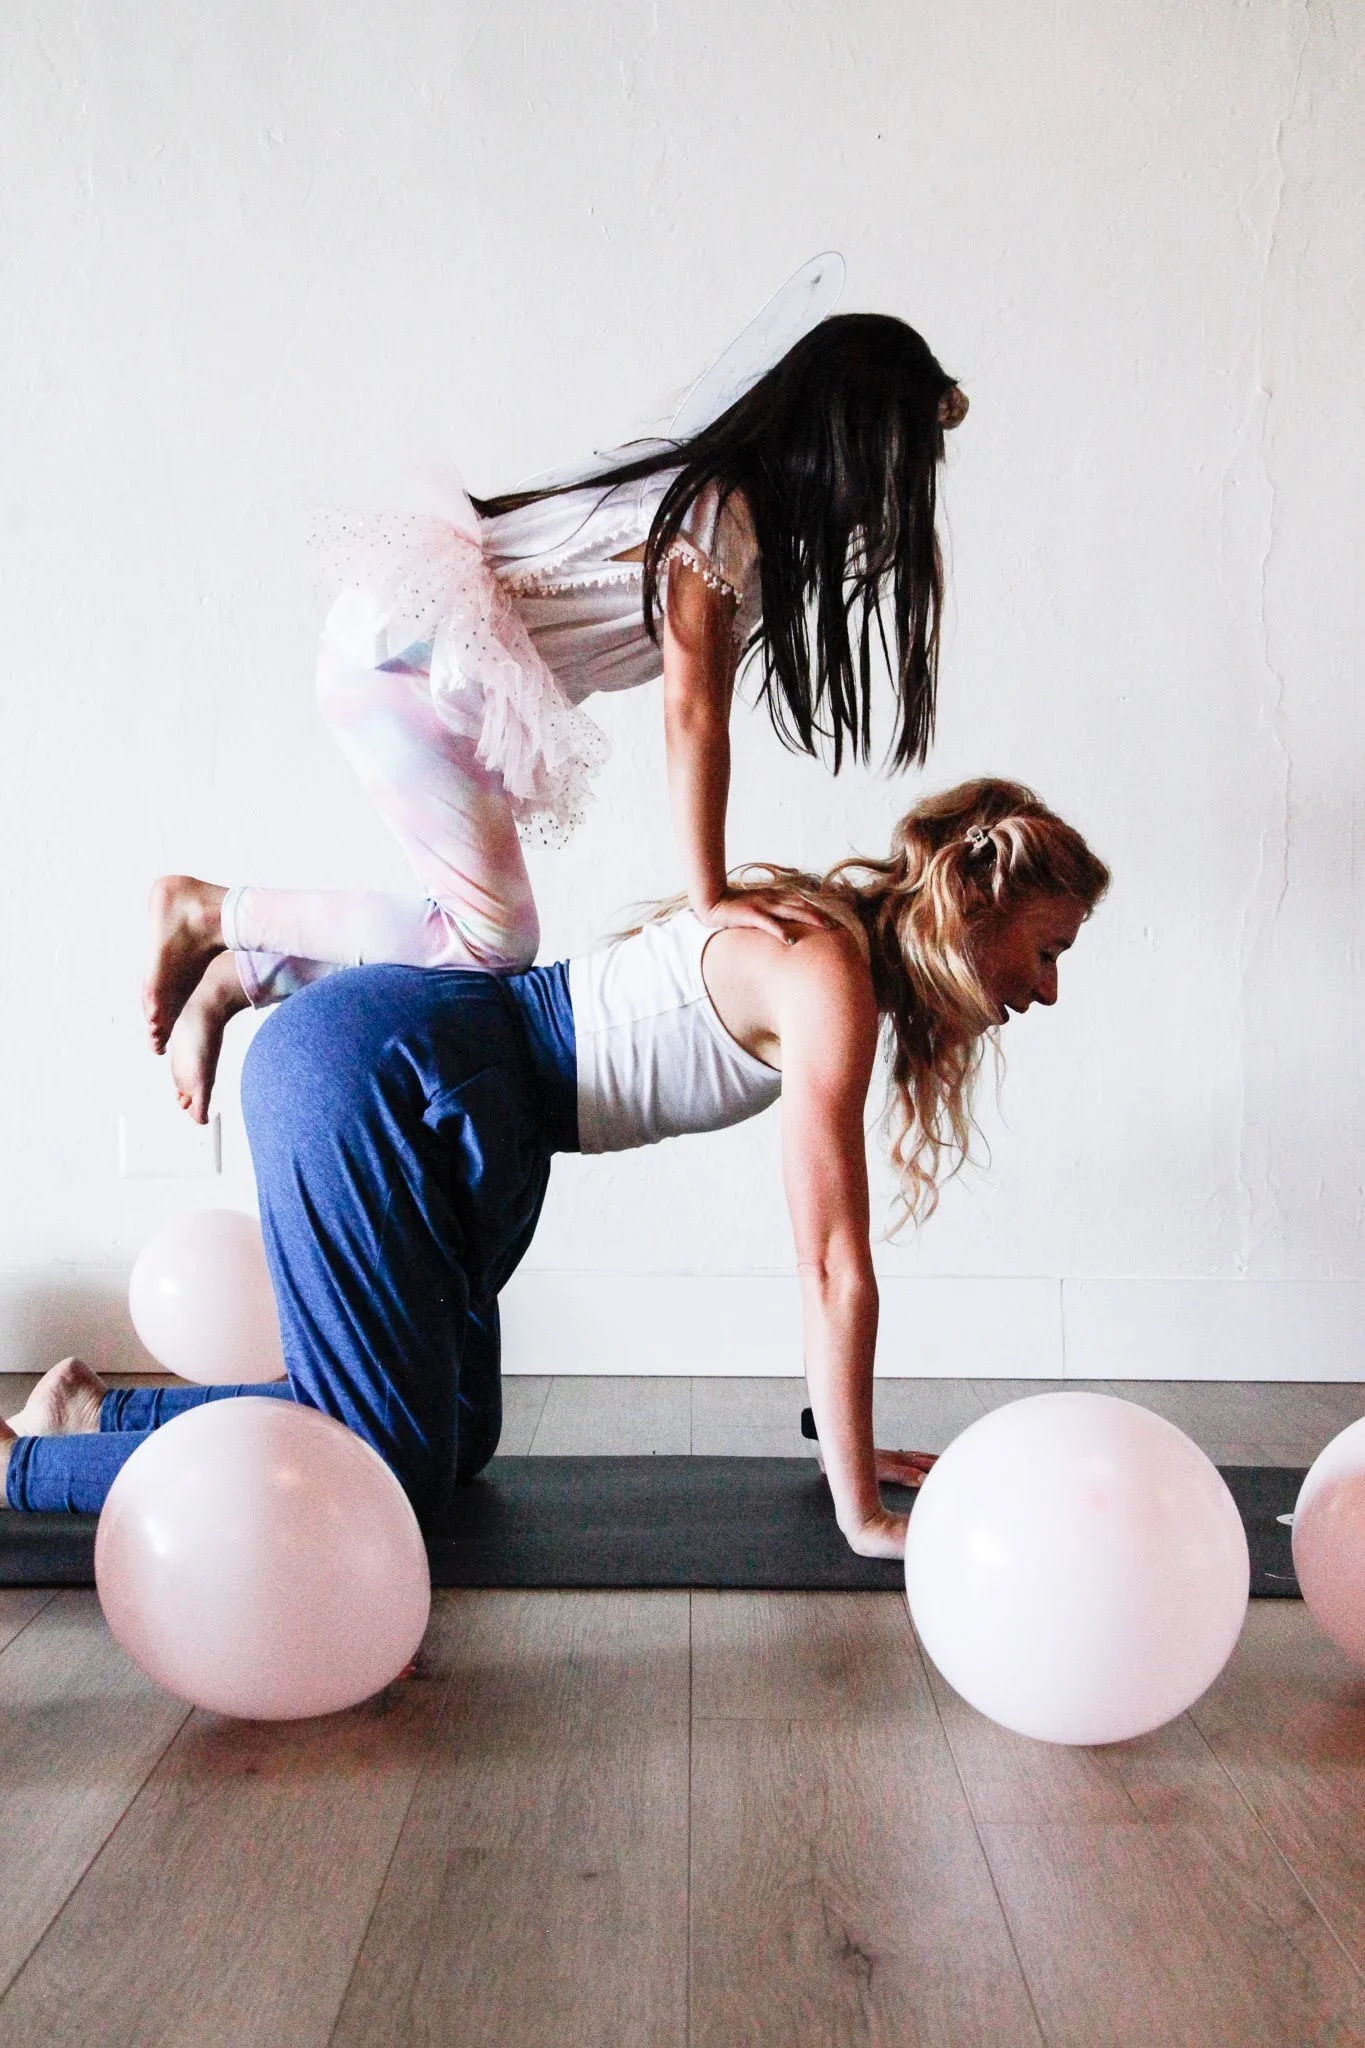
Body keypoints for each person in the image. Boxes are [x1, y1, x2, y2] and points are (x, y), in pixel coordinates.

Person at [4, 780, 1108, 1558]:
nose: (1050, 988)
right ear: (973, 906)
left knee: (455, 1438)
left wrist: (849, 1452)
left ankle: (94, 1413)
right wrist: (858, 1507)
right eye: (1048, 949)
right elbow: (830, 1263)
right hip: (386, 1074)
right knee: (383, 1464)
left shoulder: (824, 946)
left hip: (441, 1099)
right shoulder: (827, 973)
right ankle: (17, 1467)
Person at [141, 303, 969, 1119]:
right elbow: (692, 714)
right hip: (404, 665)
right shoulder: (717, 516)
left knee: (474, 939)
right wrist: (710, 895)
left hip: (414, 668)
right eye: (895, 464)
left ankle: (237, 969)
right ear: (848, 440)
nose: (890, 498)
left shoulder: (733, 522)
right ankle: (211, 918)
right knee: (492, 940)